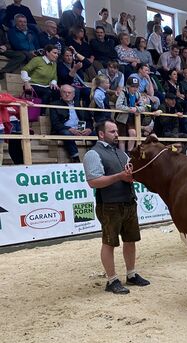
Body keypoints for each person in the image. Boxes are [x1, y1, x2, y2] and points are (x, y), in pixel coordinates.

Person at [82, 119, 150, 294]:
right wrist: (120, 176)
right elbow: (93, 181)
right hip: (109, 205)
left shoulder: (121, 153)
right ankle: (112, 280)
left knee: (130, 240)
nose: (117, 134)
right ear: (101, 134)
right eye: (112, 131)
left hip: (128, 201)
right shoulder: (93, 154)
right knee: (109, 243)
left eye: (117, 131)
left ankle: (131, 274)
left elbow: (129, 173)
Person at [49, 84, 93, 162]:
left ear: (74, 94)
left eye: (69, 92)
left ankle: (95, 156)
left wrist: (89, 129)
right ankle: (75, 158)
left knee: (97, 134)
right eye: (64, 92)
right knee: (66, 134)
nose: (67, 94)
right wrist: (70, 129)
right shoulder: (55, 105)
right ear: (60, 93)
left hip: (80, 129)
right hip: (65, 129)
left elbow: (88, 120)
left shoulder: (80, 105)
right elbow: (55, 123)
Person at [21, 44, 60, 110]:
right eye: (54, 53)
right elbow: (24, 70)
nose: (57, 55)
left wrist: (53, 82)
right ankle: (41, 113)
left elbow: (54, 77)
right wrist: (26, 82)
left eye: (57, 54)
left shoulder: (54, 64)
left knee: (57, 92)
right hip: (32, 85)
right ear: (47, 52)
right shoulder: (37, 60)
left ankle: (54, 112)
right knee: (47, 92)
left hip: (45, 86)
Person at [115, 76, 146, 152]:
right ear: (128, 86)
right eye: (133, 86)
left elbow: (143, 107)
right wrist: (129, 109)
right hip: (122, 119)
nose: (135, 89)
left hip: (132, 118)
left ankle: (130, 152)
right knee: (122, 138)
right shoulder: (123, 93)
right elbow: (118, 105)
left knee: (133, 133)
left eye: (136, 87)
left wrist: (136, 109)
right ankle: (122, 154)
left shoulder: (138, 94)